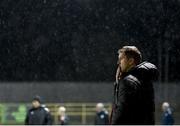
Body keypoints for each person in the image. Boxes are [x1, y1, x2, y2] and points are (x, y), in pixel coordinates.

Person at [111, 46, 158, 125]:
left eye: (121, 59)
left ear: (131, 61)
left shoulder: (128, 82)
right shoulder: (143, 79)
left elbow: (122, 112)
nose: (118, 62)